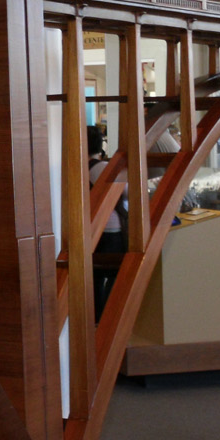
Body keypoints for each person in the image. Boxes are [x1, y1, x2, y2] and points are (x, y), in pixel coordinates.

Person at [88, 126, 127, 314]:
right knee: (114, 275)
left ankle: (95, 316)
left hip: (89, 229)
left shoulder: (74, 168)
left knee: (93, 277)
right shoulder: (100, 168)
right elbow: (125, 191)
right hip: (110, 229)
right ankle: (108, 315)